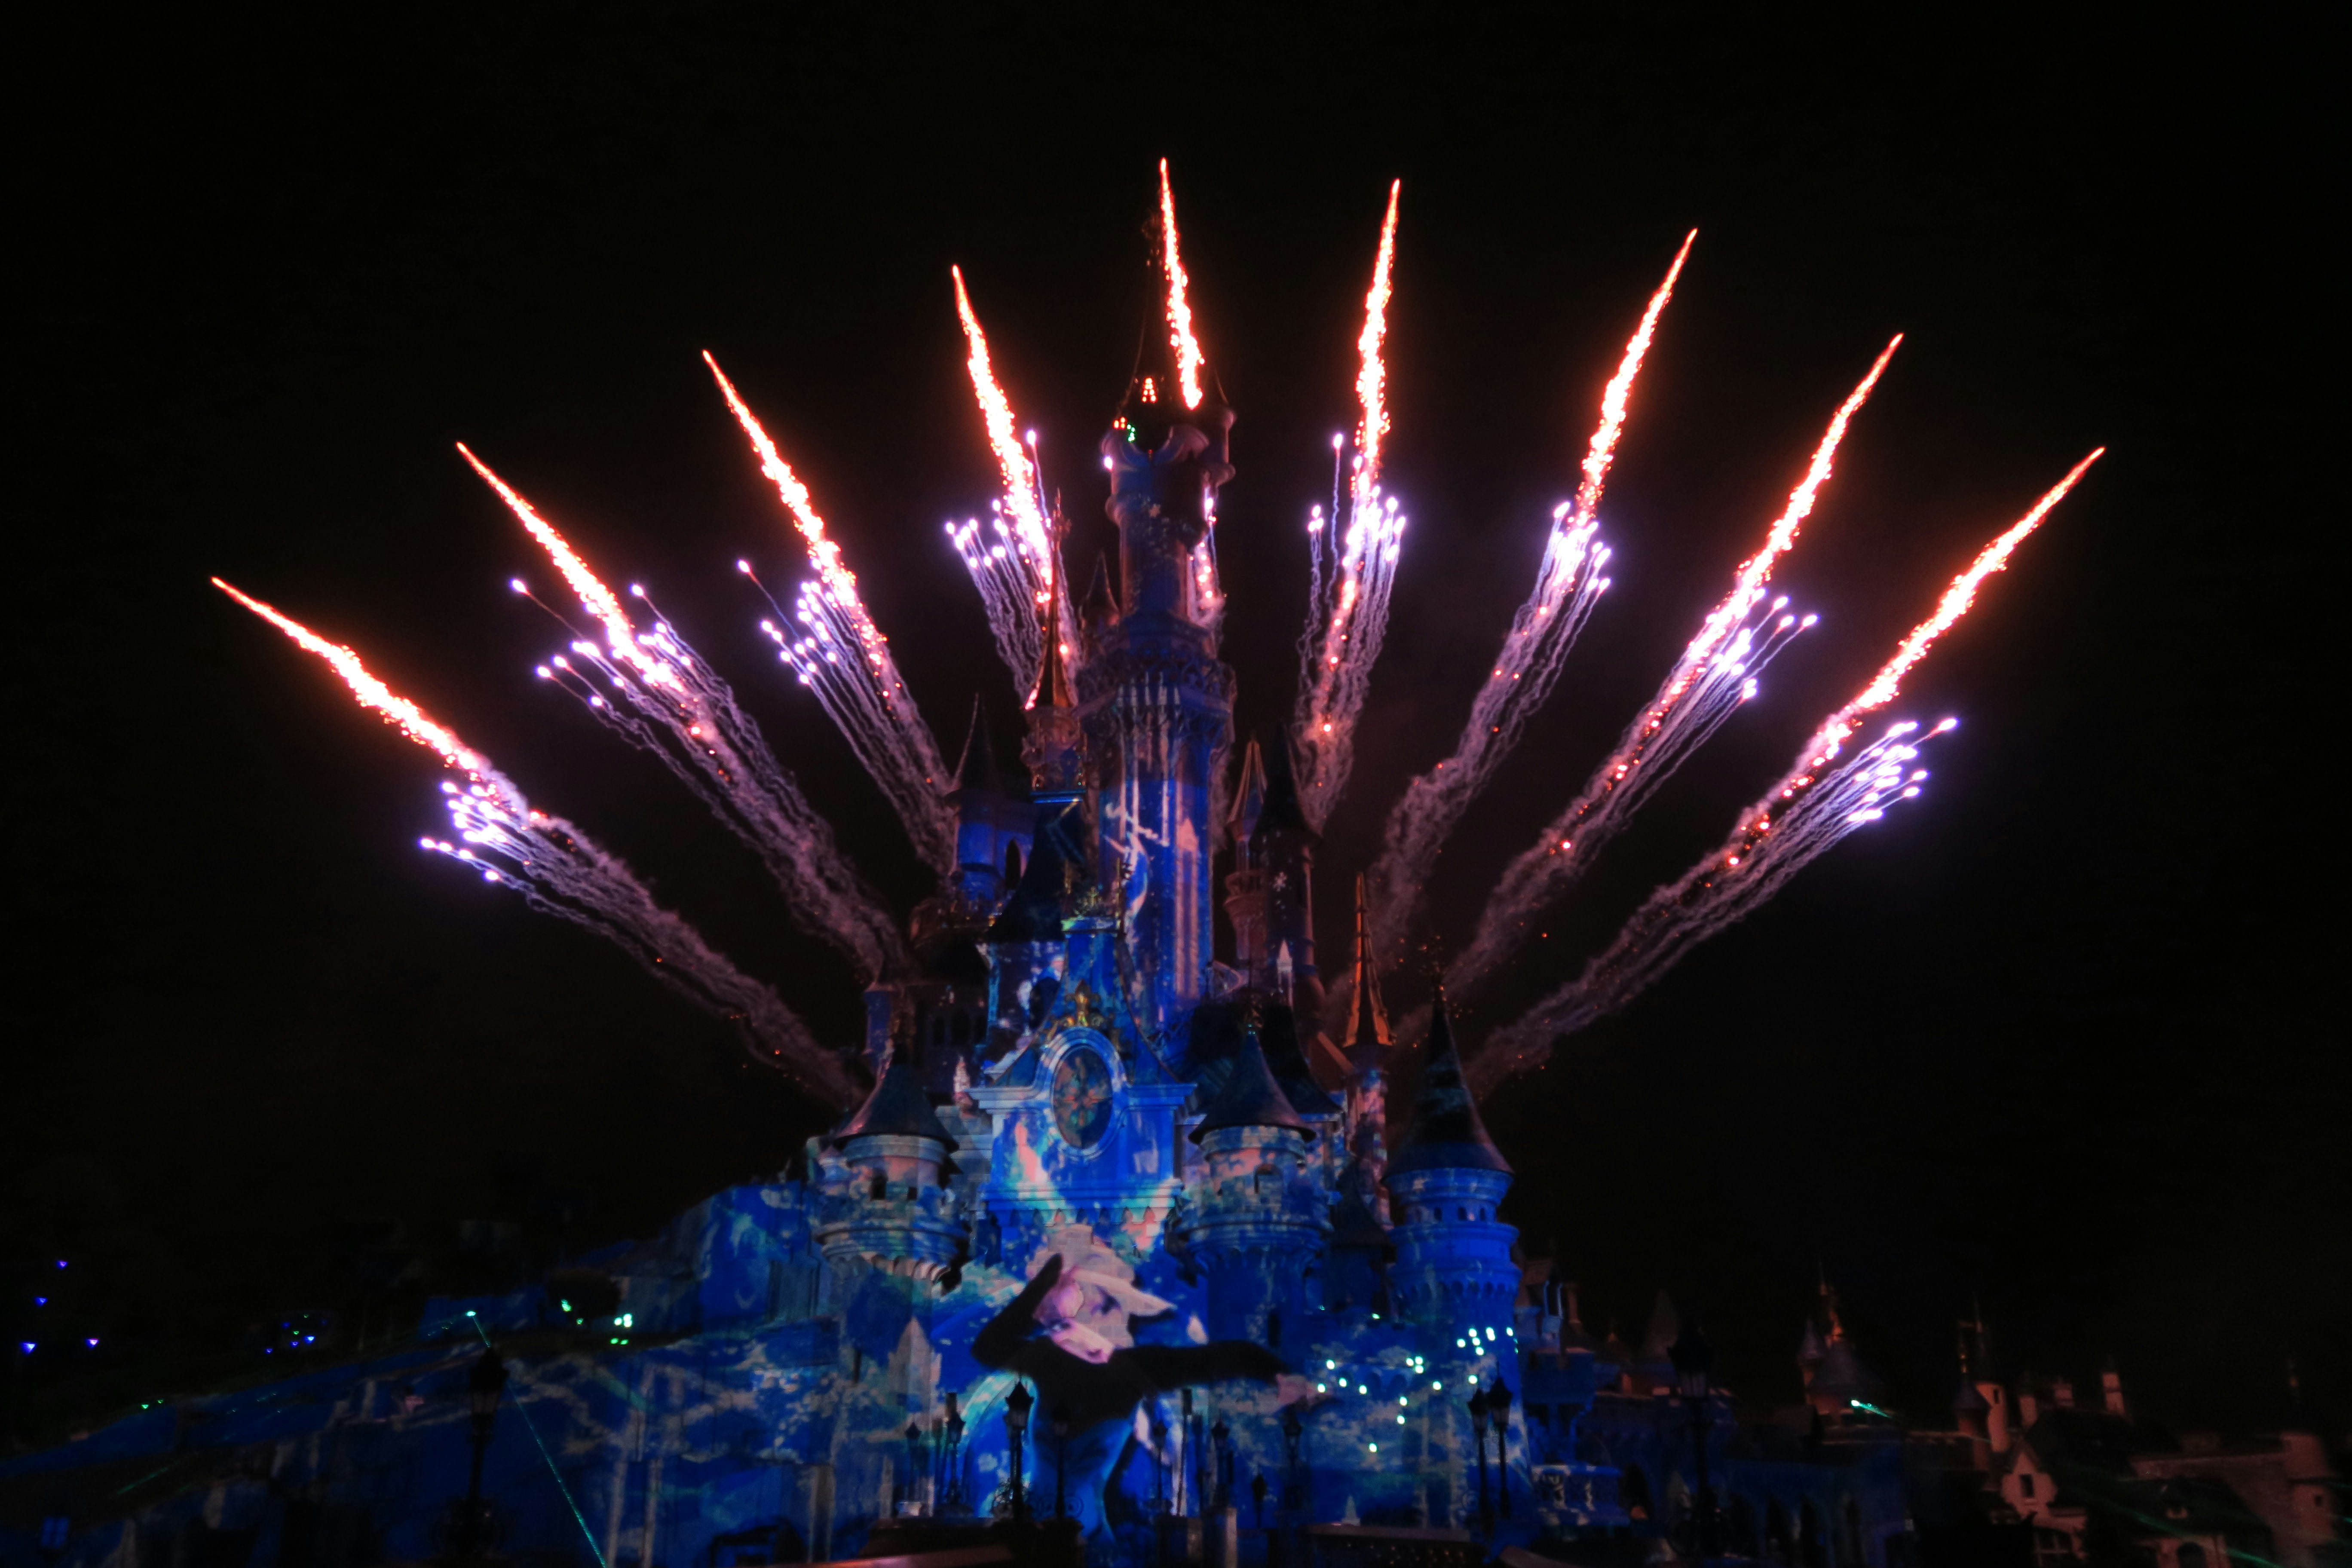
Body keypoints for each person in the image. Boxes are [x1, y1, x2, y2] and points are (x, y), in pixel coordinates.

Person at [972, 1229, 1308, 1549]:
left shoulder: (1131, 1367)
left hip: (1089, 1540)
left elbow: (1214, 1360)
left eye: (1102, 1302)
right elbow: (988, 1347)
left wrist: (1276, 1372)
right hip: (1033, 1538)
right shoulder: (1047, 1358)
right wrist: (1046, 1283)